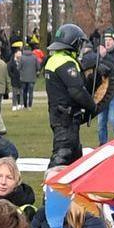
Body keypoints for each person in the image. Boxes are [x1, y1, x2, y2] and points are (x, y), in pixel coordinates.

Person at [44, 24, 96, 166]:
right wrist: (93, 106)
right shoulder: (66, 62)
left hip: (59, 115)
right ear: (73, 42)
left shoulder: (54, 59)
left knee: (75, 157)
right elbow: (77, 90)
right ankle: (50, 186)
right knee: (63, 155)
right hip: (66, 118)